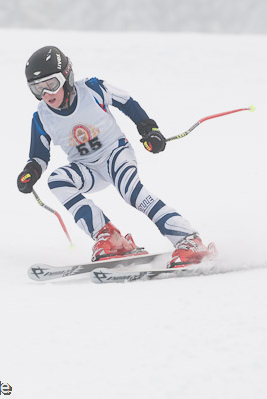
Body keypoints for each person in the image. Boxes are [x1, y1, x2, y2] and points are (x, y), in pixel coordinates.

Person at [17, 46, 215, 267]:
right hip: (86, 168)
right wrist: (30, 173)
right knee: (57, 181)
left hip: (115, 154)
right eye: (37, 89)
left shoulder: (92, 89)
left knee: (131, 192)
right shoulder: (42, 116)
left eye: (51, 85)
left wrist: (149, 130)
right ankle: (111, 238)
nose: (46, 95)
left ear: (66, 77)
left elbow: (127, 102)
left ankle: (189, 239)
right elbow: (39, 156)